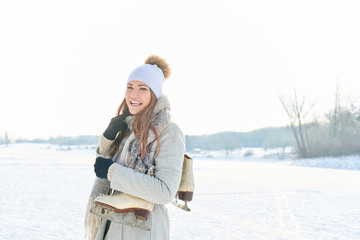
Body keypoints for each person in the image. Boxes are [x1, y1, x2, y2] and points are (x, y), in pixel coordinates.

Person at [84, 55, 186, 240]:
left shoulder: (169, 132)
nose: (133, 94)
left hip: (143, 229)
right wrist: (108, 136)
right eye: (130, 87)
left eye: (142, 89)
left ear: (154, 94)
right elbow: (103, 164)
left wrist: (112, 172)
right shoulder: (128, 128)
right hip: (112, 225)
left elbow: (165, 191)